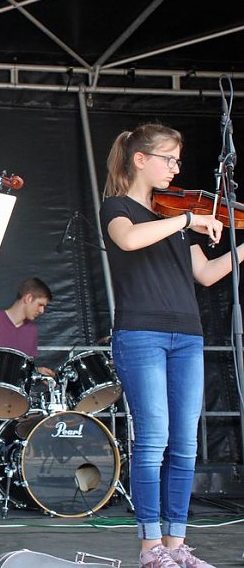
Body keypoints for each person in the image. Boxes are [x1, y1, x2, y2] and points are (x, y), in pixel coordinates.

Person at [100, 122, 244, 568]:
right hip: (141, 333)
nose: (176, 169)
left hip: (188, 334)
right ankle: (150, 548)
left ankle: (176, 543)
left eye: (178, 161)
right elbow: (128, 239)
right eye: (169, 160)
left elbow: (206, 274)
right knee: (153, 439)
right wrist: (186, 220)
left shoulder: (176, 216)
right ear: (140, 159)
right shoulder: (118, 208)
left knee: (184, 443)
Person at [0, 276, 55, 376]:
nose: (42, 311)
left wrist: (37, 371)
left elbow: (25, 369)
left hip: (16, 386)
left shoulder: (32, 330)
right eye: (40, 305)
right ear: (28, 298)